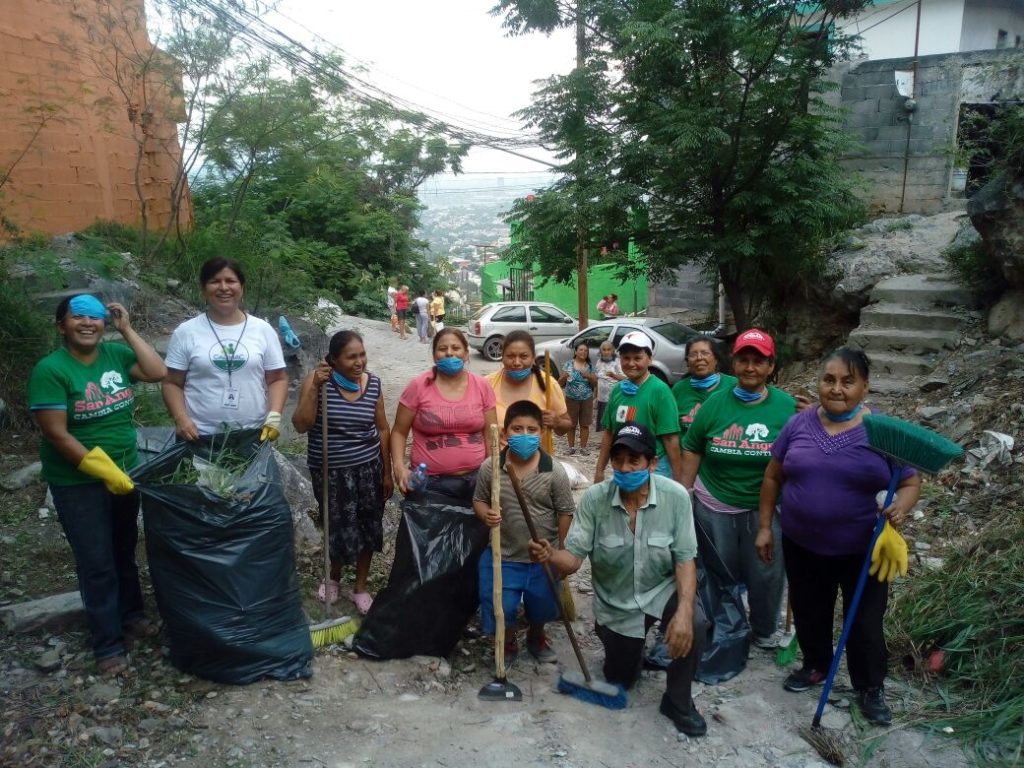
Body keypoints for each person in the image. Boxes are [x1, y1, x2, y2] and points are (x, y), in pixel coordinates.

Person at [758, 348, 920, 726]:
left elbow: (911, 482)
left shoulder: (884, 432)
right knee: (810, 610)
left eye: (848, 381)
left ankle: (869, 687)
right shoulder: (797, 425)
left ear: (865, 386)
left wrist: (901, 507)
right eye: (828, 380)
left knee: (864, 622)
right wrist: (766, 527)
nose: (836, 389)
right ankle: (816, 665)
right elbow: (772, 477)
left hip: (862, 550)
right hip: (802, 543)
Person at [530, 423, 709, 737]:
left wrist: (683, 611)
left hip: (661, 589)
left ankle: (678, 701)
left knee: (694, 621)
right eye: (619, 460)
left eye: (634, 460)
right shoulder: (596, 499)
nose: (625, 468)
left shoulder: (676, 497)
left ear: (652, 464)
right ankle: (632, 652)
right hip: (618, 604)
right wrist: (550, 555)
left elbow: (685, 559)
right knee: (622, 678)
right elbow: (572, 560)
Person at [29, 294, 167, 675]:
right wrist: (101, 470)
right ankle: (108, 644)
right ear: (62, 326)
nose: (87, 324)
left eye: (95, 317)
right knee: (96, 562)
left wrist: (126, 329)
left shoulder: (116, 356)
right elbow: (56, 434)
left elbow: (157, 372)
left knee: (123, 549)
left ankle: (131, 614)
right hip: (78, 482)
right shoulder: (51, 370)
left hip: (126, 472)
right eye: (78, 318)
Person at [681, 328, 795, 654]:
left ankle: (762, 629)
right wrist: (683, 495)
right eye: (743, 360)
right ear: (733, 363)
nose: (749, 368)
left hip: (767, 507)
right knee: (721, 571)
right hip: (715, 502)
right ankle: (726, 625)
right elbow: (693, 447)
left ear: (771, 367)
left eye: (758, 362)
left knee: (766, 572)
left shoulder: (787, 409)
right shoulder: (715, 404)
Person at [292, 330, 393, 615]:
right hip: (331, 471)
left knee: (369, 526)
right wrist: (314, 388)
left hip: (368, 468)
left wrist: (387, 472)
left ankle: (360, 586)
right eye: (351, 357)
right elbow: (301, 424)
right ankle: (333, 578)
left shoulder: (372, 384)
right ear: (334, 360)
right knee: (335, 526)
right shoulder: (318, 382)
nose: (359, 362)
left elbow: (383, 428)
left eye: (362, 354)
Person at [474, 400, 575, 663]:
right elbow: (479, 499)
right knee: (500, 606)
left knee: (542, 605)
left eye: (532, 430)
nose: (525, 435)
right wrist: (485, 514)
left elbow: (565, 511)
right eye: (517, 429)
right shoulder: (491, 467)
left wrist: (559, 550)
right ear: (505, 433)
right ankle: (506, 641)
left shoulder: (554, 471)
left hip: (541, 557)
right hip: (504, 553)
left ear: (542, 432)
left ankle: (536, 635)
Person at [162, 258, 287, 441]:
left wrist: (274, 415)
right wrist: (180, 418)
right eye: (214, 281)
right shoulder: (186, 332)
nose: (223, 287)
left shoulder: (263, 330)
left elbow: (278, 379)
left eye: (230, 281)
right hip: (197, 435)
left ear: (242, 287)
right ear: (204, 289)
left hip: (253, 434)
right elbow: (171, 382)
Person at [391, 327, 497, 506]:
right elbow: (399, 432)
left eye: (456, 348)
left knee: (475, 532)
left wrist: (491, 473)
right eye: (442, 349)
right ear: (434, 356)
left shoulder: (482, 386)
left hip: (475, 482)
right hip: (429, 484)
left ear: (466, 354)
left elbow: (491, 433)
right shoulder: (418, 386)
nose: (449, 353)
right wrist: (399, 468)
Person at [594, 331, 682, 482]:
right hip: (623, 467)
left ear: (649, 359)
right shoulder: (617, 390)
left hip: (654, 471)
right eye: (626, 358)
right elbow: (609, 433)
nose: (631, 363)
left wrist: (679, 481)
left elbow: (670, 439)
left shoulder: (660, 391)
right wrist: (599, 471)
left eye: (637, 358)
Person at [485, 330, 570, 442]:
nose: (516, 362)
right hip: (497, 458)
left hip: (538, 458)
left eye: (523, 356)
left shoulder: (548, 384)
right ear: (502, 357)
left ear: (533, 358)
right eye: (510, 356)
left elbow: (565, 427)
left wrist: (557, 422)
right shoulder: (487, 384)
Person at [672, 337, 737, 444]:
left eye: (705, 353)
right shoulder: (678, 389)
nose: (699, 358)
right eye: (693, 355)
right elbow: (672, 430)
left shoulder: (733, 385)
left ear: (716, 359)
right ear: (687, 362)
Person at [559, 342, 597, 455]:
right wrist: (564, 377)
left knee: (585, 424)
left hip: (586, 398)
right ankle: (571, 447)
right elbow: (559, 383)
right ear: (576, 352)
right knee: (571, 424)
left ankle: (583, 448)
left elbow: (595, 383)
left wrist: (589, 376)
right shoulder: (568, 365)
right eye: (581, 350)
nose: (583, 352)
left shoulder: (589, 367)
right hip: (571, 398)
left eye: (586, 350)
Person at [593, 341, 624, 433]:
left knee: (613, 422)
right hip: (601, 399)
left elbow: (626, 378)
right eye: (604, 349)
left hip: (614, 398)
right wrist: (595, 396)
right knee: (603, 423)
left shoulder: (617, 362)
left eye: (608, 349)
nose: (606, 352)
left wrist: (614, 376)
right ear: (600, 351)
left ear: (613, 350)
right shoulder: (599, 362)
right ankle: (603, 443)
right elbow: (597, 380)